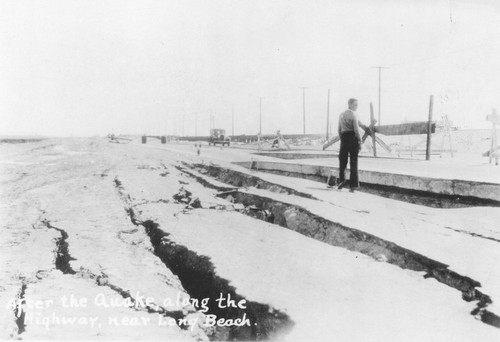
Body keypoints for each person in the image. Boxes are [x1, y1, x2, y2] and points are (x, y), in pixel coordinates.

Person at [337, 98, 362, 192]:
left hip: (343, 138)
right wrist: (359, 141)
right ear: (350, 105)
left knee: (342, 161)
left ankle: (342, 181)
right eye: (355, 105)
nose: (357, 107)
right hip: (353, 138)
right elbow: (356, 130)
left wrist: (342, 139)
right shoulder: (353, 114)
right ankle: (353, 186)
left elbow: (339, 129)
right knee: (353, 162)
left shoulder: (341, 115)